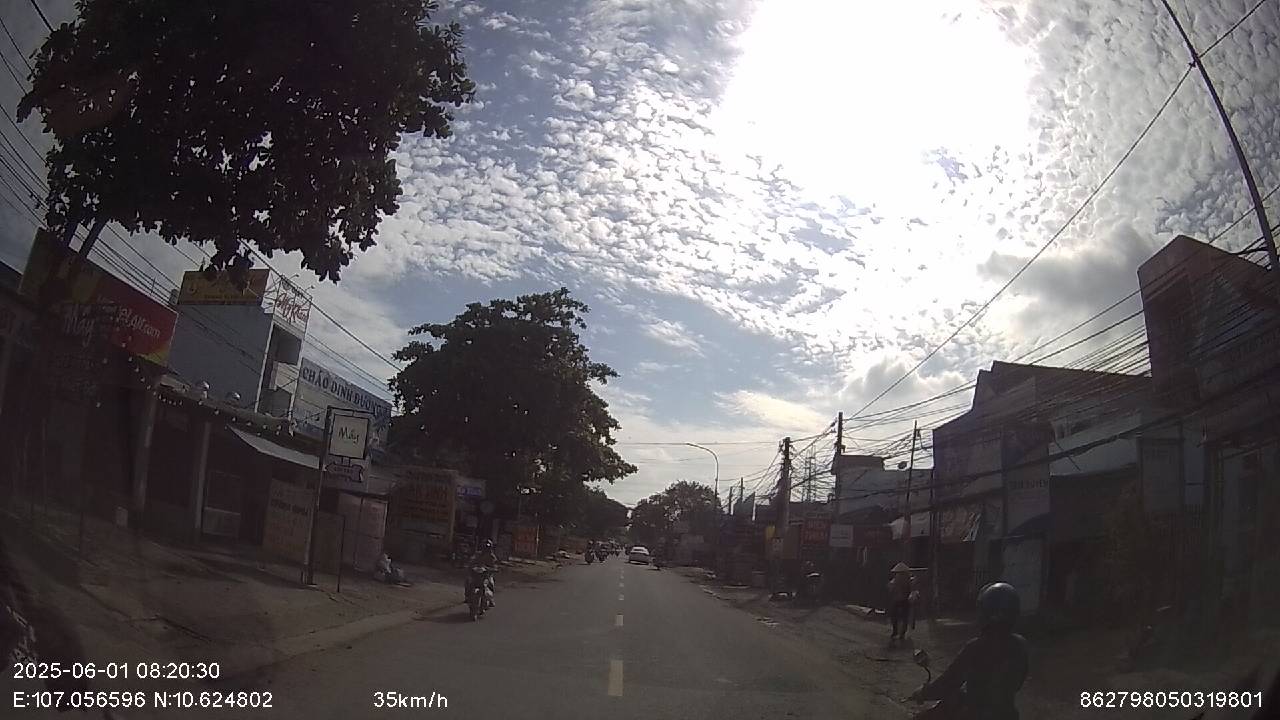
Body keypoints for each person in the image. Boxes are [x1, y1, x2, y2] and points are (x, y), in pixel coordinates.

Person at [910, 582, 1030, 720]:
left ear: (988, 614)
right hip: (1007, 714)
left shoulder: (977, 647)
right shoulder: (1020, 644)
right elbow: (1017, 683)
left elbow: (948, 682)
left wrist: (924, 692)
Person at [465, 540, 499, 605]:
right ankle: (467, 596)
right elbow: (471, 561)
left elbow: (495, 566)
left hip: (487, 575)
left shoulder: (492, 557)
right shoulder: (477, 554)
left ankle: (491, 599)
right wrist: (471, 566)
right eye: (485, 547)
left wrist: (492, 569)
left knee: (491, 583)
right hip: (476, 575)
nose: (486, 549)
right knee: (468, 581)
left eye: (487, 548)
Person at [888, 562, 914, 640]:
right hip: (901, 600)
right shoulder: (904, 579)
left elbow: (891, 589)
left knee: (899, 616)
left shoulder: (905, 580)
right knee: (901, 617)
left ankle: (898, 632)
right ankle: (899, 632)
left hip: (901, 600)